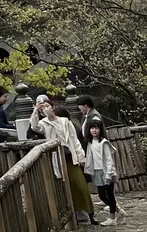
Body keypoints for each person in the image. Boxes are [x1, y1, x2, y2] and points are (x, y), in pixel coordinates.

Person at [30, 95, 97, 224]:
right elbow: (34, 127)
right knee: (64, 185)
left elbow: (74, 139)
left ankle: (88, 212)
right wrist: (35, 111)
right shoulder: (43, 123)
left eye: (47, 106)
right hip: (56, 157)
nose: (45, 109)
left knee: (80, 184)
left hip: (70, 155)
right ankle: (73, 212)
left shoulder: (65, 122)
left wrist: (80, 155)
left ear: (53, 107)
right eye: (42, 108)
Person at [85, 118, 118, 226]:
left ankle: (112, 218)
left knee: (110, 195)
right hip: (97, 171)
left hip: (106, 171)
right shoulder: (90, 143)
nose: (94, 130)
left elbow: (109, 159)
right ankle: (116, 208)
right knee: (102, 196)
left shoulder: (104, 143)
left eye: (96, 128)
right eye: (92, 128)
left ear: (101, 130)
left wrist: (109, 173)